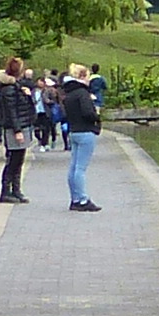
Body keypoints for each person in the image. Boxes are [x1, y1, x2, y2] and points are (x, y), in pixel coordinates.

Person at [58, 64, 106, 211]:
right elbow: (87, 112)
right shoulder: (82, 93)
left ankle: (75, 198)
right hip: (85, 131)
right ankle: (83, 199)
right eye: (88, 76)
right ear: (82, 77)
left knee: (74, 166)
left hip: (74, 131)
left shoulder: (69, 93)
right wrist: (96, 116)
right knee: (81, 168)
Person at [0, 55, 34, 202]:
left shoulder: (17, 87)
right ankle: (6, 191)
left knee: (19, 160)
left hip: (22, 125)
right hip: (15, 128)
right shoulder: (9, 90)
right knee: (13, 160)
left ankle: (16, 190)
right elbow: (11, 111)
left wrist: (27, 96)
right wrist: (17, 130)